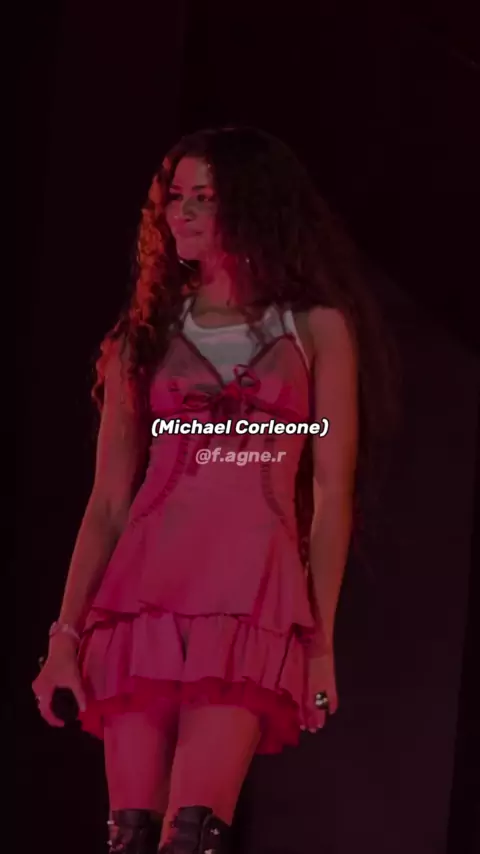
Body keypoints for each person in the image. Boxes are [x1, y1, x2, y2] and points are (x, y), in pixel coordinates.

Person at [32, 126, 400, 853]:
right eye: (175, 198)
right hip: (143, 600)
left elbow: (331, 495)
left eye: (205, 196)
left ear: (252, 203)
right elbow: (108, 501)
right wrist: (64, 637)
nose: (184, 213)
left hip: (248, 604)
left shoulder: (314, 328)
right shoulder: (146, 332)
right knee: (129, 836)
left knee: (192, 835)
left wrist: (320, 643)